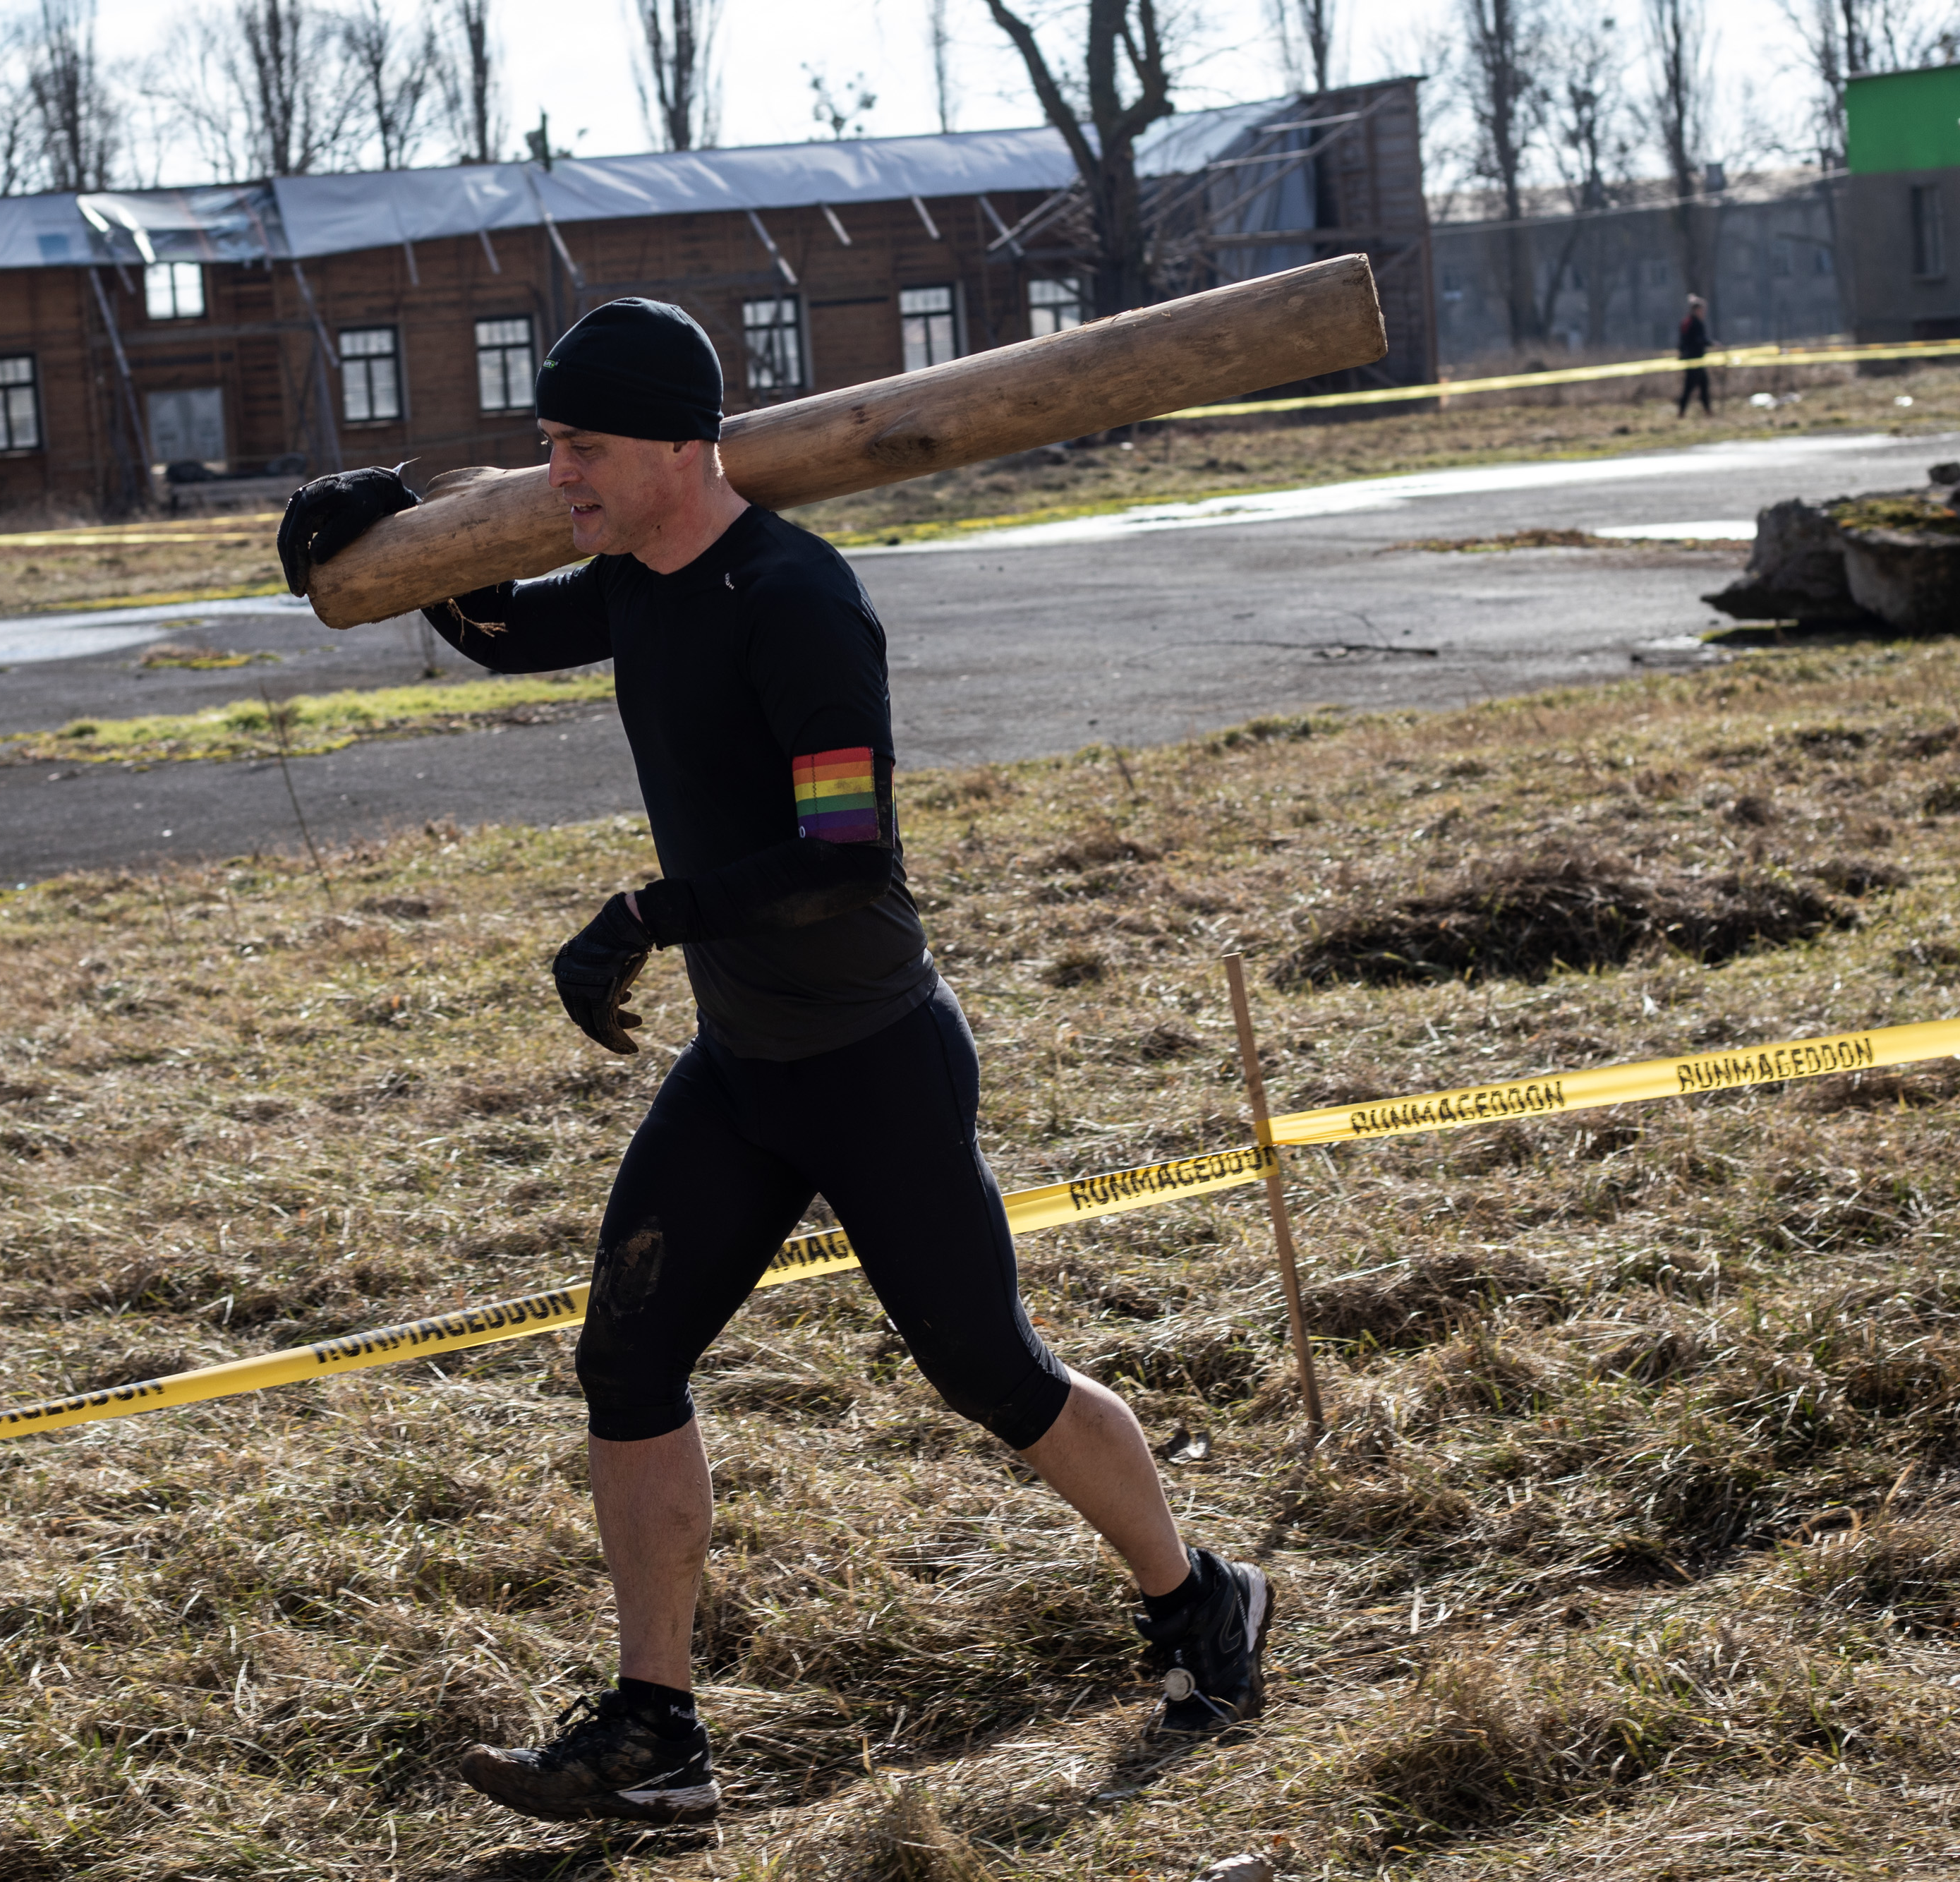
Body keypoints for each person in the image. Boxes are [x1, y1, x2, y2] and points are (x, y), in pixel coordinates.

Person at [273, 298, 1273, 1830]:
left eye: (581, 447)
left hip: (869, 1059)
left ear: (681, 445)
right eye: (545, 447)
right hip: (743, 1062)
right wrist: (375, 540)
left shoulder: (796, 600)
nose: (555, 477)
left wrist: (641, 915)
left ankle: (1199, 1593)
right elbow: (496, 626)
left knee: (988, 1371)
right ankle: (658, 1731)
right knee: (624, 1358)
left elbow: (842, 852)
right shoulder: (635, 575)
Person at [1676, 294, 1712, 417]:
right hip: (1694, 360)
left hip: (1695, 360)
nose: (1704, 312)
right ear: (1697, 310)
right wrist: (1711, 343)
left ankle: (1707, 411)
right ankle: (1682, 411)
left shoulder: (1688, 322)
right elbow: (1698, 340)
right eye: (1702, 310)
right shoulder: (1694, 323)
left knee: (1703, 385)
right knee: (1690, 387)